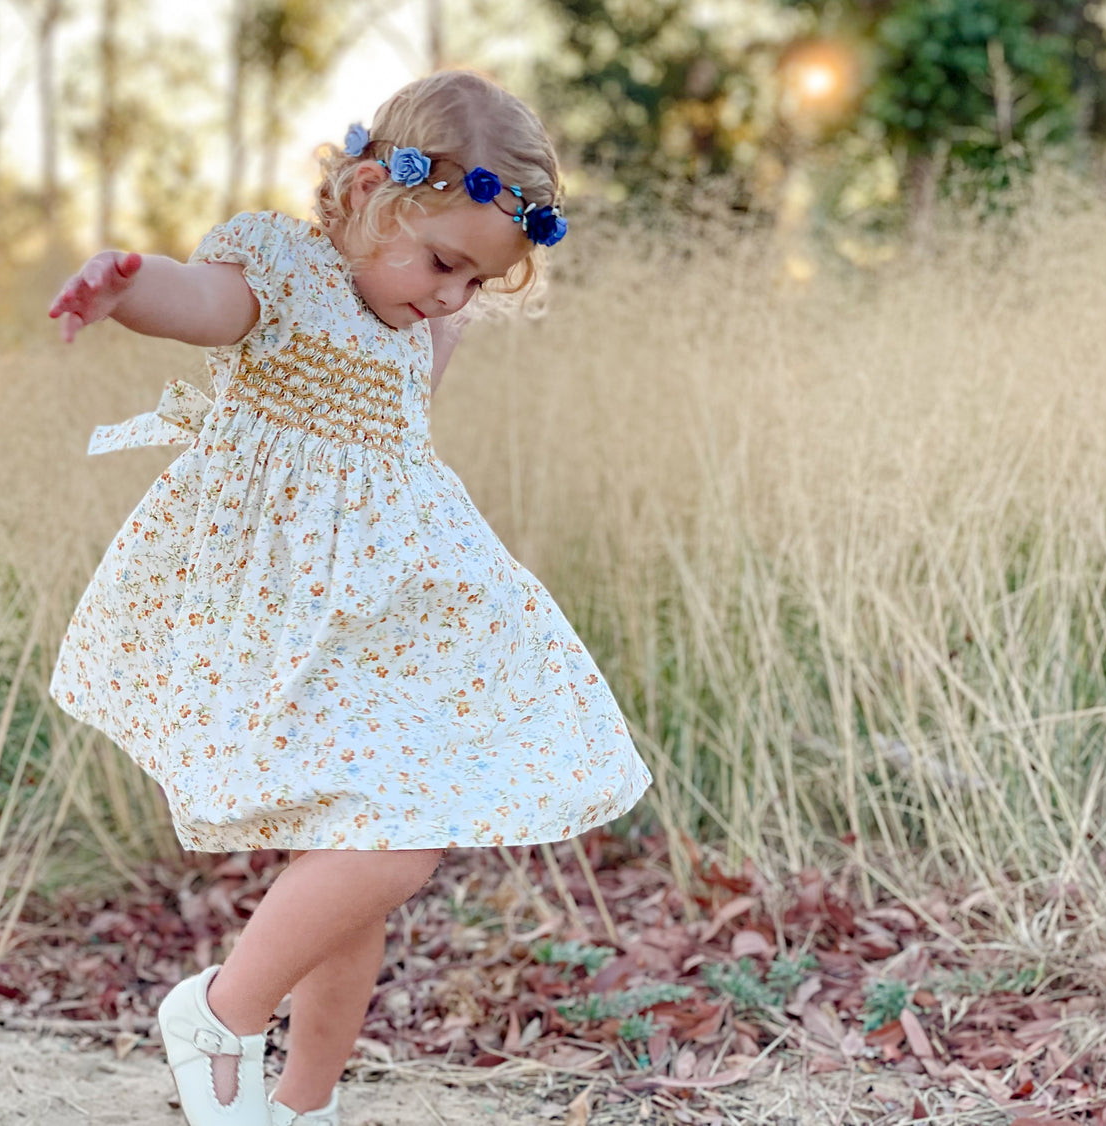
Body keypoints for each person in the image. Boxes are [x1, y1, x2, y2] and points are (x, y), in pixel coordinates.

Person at [47, 70, 652, 1126]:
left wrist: (434, 312)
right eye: (443, 264)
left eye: (475, 281)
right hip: (279, 600)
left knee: (363, 856)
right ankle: (219, 1010)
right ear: (372, 191)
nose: (451, 297)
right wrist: (125, 286)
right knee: (395, 842)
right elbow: (197, 304)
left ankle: (300, 1104)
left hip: (385, 616)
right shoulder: (283, 270)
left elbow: (391, 462)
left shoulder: (423, 322)